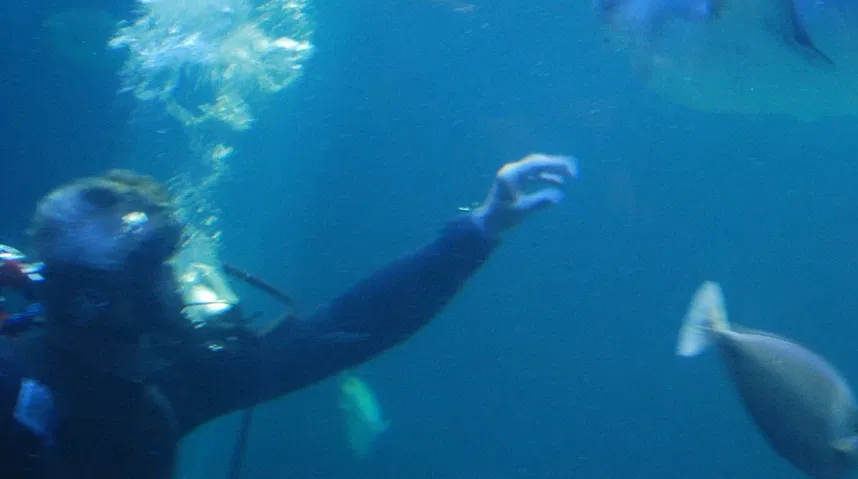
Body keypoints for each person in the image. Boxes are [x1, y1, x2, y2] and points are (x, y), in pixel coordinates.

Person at [0, 152, 578, 478]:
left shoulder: (170, 380)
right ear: (93, 299)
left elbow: (340, 332)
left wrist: (477, 232)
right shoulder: (16, 386)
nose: (177, 284)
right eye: (156, 267)